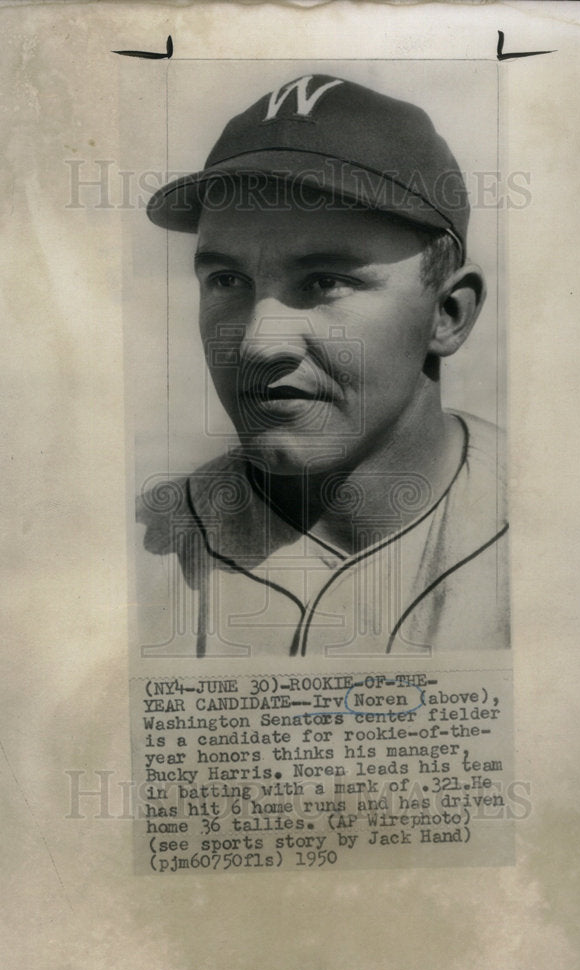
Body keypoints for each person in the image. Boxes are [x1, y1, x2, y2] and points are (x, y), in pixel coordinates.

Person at [136, 74, 508, 657]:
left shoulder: (576, 545)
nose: (259, 343)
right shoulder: (128, 555)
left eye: (325, 281)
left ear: (448, 313)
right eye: (227, 280)